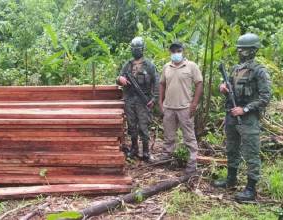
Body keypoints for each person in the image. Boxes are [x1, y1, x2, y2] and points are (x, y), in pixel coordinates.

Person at [214, 33, 271, 202]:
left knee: (251, 153)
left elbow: (265, 98)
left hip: (248, 119)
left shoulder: (259, 71)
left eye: (244, 50)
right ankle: (231, 180)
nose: (240, 53)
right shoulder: (235, 69)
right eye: (239, 49)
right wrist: (224, 89)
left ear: (253, 51)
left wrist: (245, 109)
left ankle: (251, 190)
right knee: (232, 148)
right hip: (232, 115)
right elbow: (230, 91)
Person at [158, 42, 203, 174]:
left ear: (183, 51)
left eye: (178, 51)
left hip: (185, 107)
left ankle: (192, 162)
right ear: (170, 52)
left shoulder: (191, 66)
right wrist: (160, 103)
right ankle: (166, 157)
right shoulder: (167, 67)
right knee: (168, 135)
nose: (176, 54)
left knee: (189, 136)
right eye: (173, 51)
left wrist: (194, 104)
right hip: (169, 107)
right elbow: (161, 84)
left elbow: (199, 84)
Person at [116, 37, 159, 162]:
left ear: (142, 49)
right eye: (133, 49)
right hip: (129, 99)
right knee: (132, 125)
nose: (135, 51)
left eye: (138, 49)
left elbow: (157, 83)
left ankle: (146, 151)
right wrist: (120, 79)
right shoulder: (127, 64)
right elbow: (118, 78)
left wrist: (154, 98)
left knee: (143, 126)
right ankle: (134, 149)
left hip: (143, 100)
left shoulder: (149, 65)